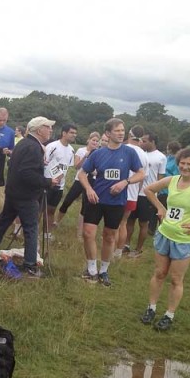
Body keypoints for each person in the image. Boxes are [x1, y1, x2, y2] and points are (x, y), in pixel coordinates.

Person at [139, 147, 190, 331]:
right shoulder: (172, 180)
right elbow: (148, 190)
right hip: (165, 234)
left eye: (189, 164)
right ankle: (151, 308)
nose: (184, 167)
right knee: (159, 273)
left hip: (185, 240)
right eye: (182, 163)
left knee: (176, 279)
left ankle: (169, 315)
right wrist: (160, 208)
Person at [0, 116, 61, 278]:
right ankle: (30, 265)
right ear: (39, 130)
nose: (51, 130)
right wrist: (48, 182)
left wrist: (38, 165)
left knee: (2, 224)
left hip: (13, 192)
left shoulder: (24, 143)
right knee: (31, 229)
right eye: (48, 127)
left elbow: (16, 166)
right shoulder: (33, 147)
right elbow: (26, 173)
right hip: (26, 195)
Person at [78, 118, 145, 286]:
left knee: (109, 236)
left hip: (116, 202)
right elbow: (81, 174)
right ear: (107, 133)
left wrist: (125, 182)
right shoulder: (98, 153)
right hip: (96, 199)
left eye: (123, 130)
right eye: (117, 130)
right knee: (88, 233)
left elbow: (141, 173)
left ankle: (104, 271)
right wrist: (88, 189)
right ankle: (91, 269)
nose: (121, 133)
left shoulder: (129, 153)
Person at [124, 129, 166, 257]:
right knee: (129, 221)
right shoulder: (141, 153)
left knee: (143, 223)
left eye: (145, 141)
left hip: (147, 195)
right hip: (134, 193)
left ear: (152, 142)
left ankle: (138, 249)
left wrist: (155, 195)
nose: (141, 142)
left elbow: (161, 178)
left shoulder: (161, 157)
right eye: (141, 140)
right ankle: (126, 245)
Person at [55, 132, 100, 237]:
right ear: (88, 140)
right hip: (78, 180)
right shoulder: (81, 151)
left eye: (97, 141)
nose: (95, 142)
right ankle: (56, 222)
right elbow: (76, 166)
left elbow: (97, 170)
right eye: (93, 140)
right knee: (67, 201)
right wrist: (85, 156)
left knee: (85, 206)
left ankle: (80, 232)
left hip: (91, 181)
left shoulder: (98, 153)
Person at [114, 125, 148, 259]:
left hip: (117, 192)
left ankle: (111, 251)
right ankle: (118, 252)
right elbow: (142, 178)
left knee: (114, 225)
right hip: (133, 195)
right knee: (123, 223)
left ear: (129, 134)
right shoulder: (144, 155)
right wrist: (136, 193)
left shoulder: (122, 149)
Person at [43, 124, 77, 239]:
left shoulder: (72, 150)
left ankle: (47, 234)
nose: (74, 135)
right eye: (72, 132)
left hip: (59, 186)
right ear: (64, 133)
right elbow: (44, 163)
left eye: (75, 133)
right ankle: (33, 233)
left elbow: (67, 167)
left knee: (52, 210)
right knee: (39, 210)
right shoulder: (52, 146)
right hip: (47, 184)